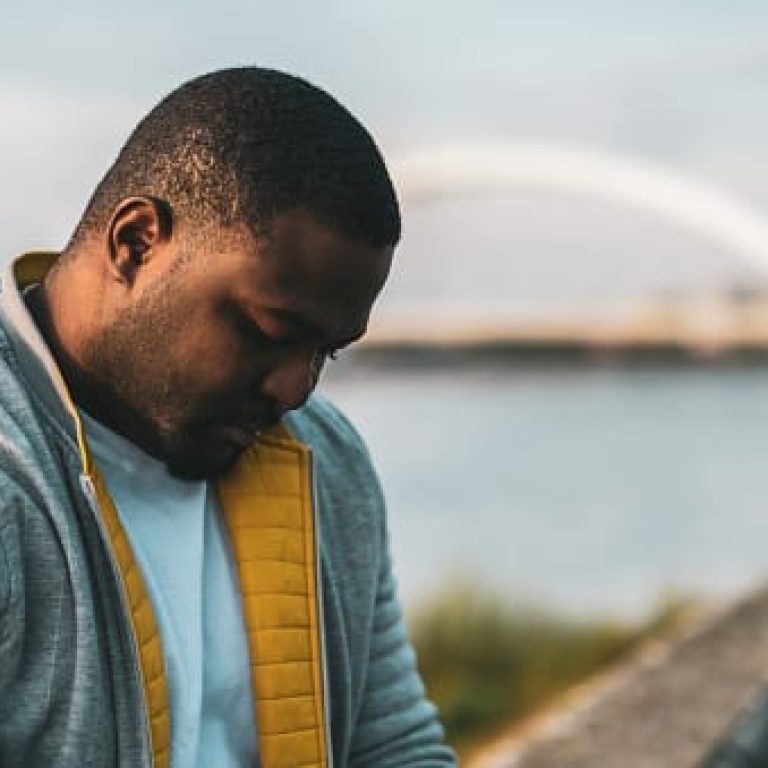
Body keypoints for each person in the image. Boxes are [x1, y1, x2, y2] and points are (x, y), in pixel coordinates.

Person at [0, 67, 455, 768]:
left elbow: (391, 745)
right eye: (268, 332)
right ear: (137, 242)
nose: (294, 391)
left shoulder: (327, 460)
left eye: (325, 355)